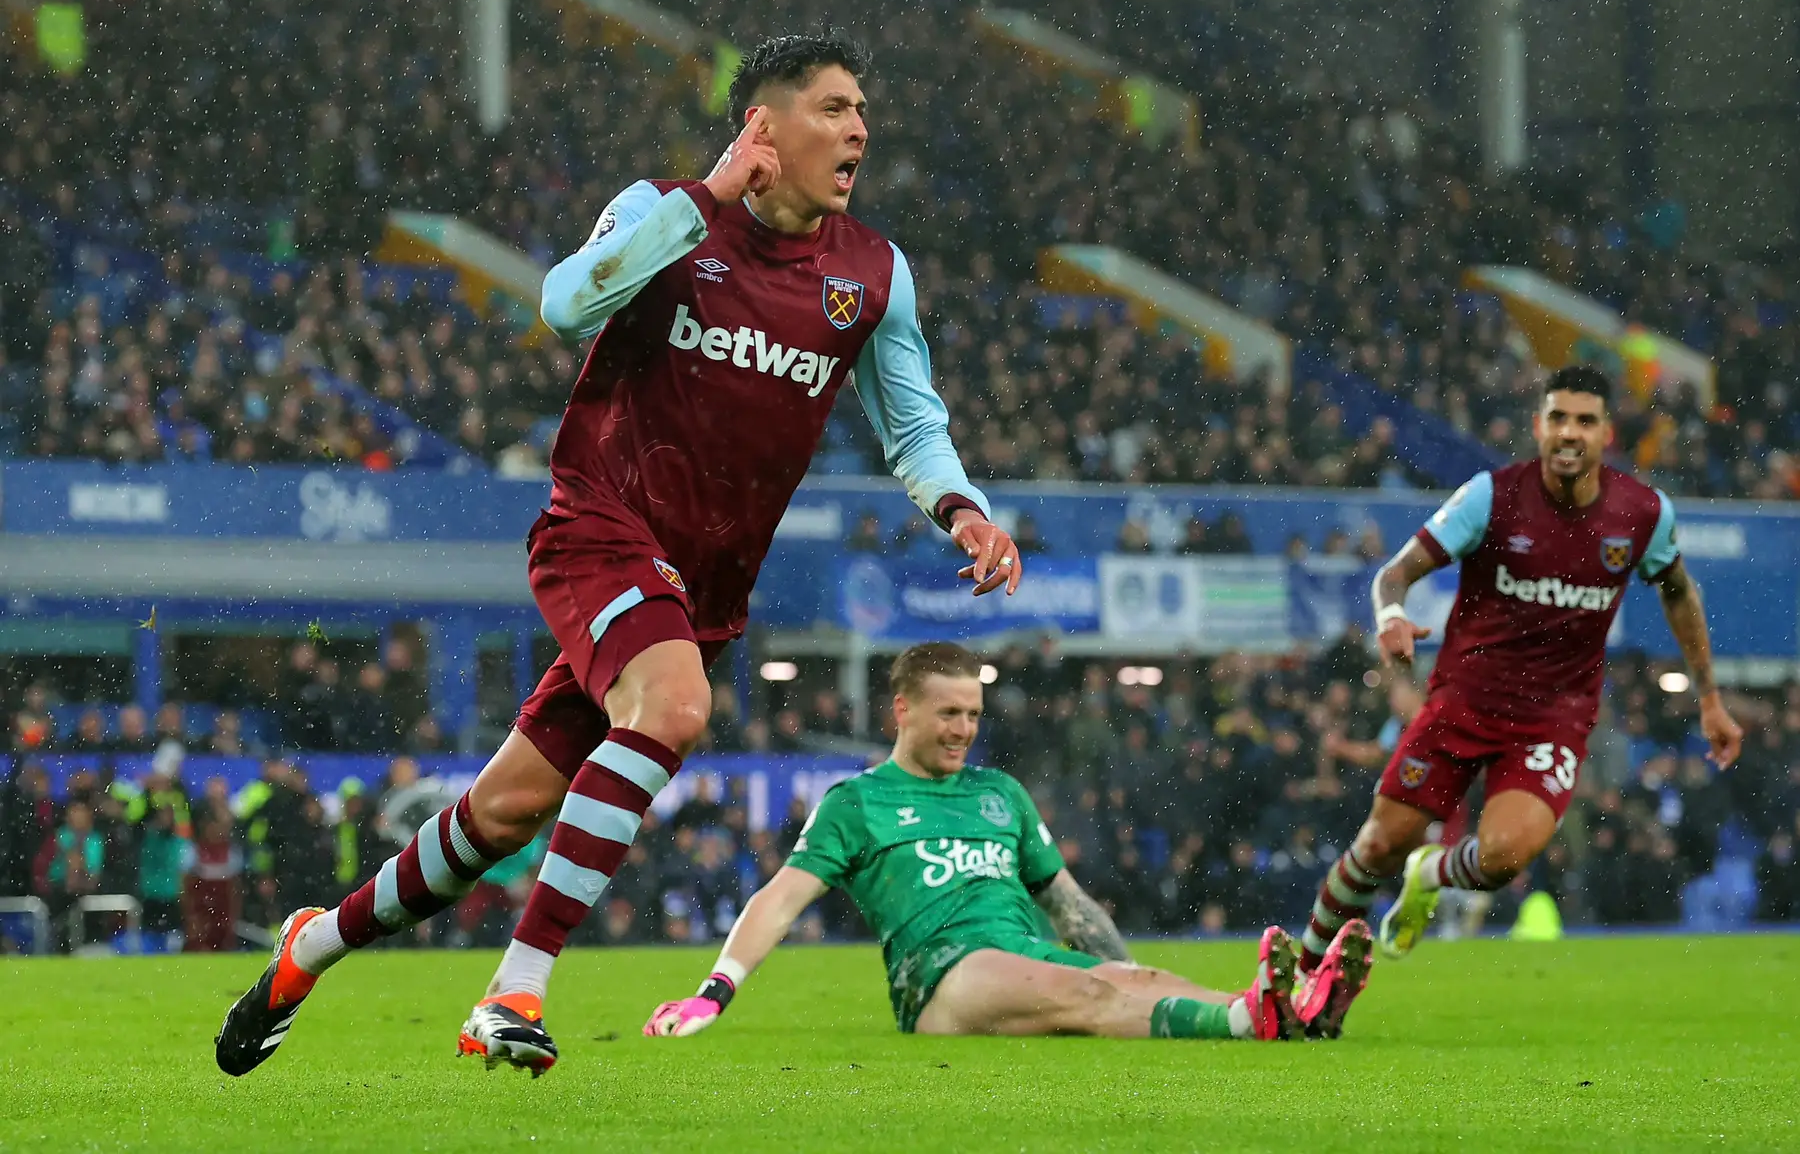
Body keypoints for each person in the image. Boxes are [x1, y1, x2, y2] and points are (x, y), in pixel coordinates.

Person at [216, 31, 1024, 1077]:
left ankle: (307, 949)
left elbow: (911, 426)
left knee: (500, 814)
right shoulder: (665, 209)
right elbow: (563, 306)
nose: (858, 127)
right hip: (599, 527)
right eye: (831, 108)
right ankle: (513, 990)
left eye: (860, 109)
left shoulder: (872, 274)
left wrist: (963, 510)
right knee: (677, 711)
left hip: (705, 590)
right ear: (762, 126)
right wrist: (705, 201)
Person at [1296, 366, 1743, 1021]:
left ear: (1606, 434)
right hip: (1462, 702)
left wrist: (1709, 696)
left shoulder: (1643, 514)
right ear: (1537, 426)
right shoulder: (1491, 497)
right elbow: (1395, 573)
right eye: (1557, 417)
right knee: (1378, 845)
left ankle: (1432, 876)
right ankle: (1298, 975)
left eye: (1584, 421)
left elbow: (1677, 589)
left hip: (1552, 720)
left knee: (1505, 856)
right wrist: (1390, 615)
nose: (1569, 432)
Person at [642, 642, 1362, 1044]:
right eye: (949, 713)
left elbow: (1070, 906)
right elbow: (781, 898)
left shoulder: (1001, 794)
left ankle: (1290, 1011)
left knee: (1123, 980)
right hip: (944, 975)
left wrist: (1132, 975)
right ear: (902, 710)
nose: (964, 728)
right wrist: (715, 991)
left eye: (974, 713)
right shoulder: (857, 803)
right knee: (1078, 989)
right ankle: (1252, 1021)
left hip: (1029, 952)